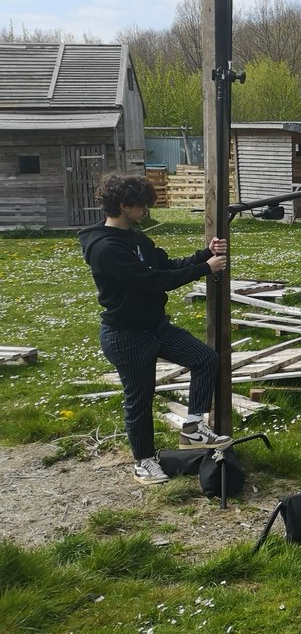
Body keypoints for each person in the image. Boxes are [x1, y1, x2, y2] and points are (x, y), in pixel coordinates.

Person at [80, 174, 233, 487]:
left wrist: (204, 253)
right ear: (124, 206)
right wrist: (205, 269)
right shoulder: (105, 248)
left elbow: (165, 266)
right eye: (142, 205)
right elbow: (150, 282)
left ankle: (192, 429)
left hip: (155, 327)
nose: (146, 210)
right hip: (126, 336)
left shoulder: (136, 238)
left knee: (205, 359)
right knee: (140, 399)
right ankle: (144, 462)